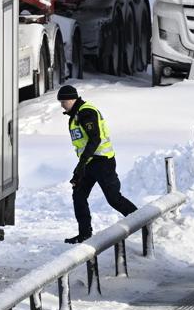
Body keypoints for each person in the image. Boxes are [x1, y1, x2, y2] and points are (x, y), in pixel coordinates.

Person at [58, 85, 138, 244]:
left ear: (72, 99)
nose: (62, 105)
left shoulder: (86, 112)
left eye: (64, 101)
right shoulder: (76, 114)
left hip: (102, 162)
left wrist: (81, 164)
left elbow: (95, 139)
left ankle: (142, 221)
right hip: (89, 162)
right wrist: (81, 167)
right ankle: (85, 234)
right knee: (79, 195)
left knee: (114, 198)